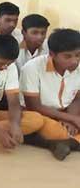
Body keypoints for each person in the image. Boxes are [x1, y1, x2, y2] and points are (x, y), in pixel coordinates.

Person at [22, 29, 80, 160]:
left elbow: (77, 99)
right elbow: (34, 106)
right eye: (68, 56)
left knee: (67, 130)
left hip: (67, 112)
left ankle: (65, 144)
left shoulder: (78, 67)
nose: (75, 61)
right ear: (52, 54)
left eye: (78, 55)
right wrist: (72, 119)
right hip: (40, 114)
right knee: (54, 130)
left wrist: (70, 117)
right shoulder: (32, 68)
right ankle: (64, 142)